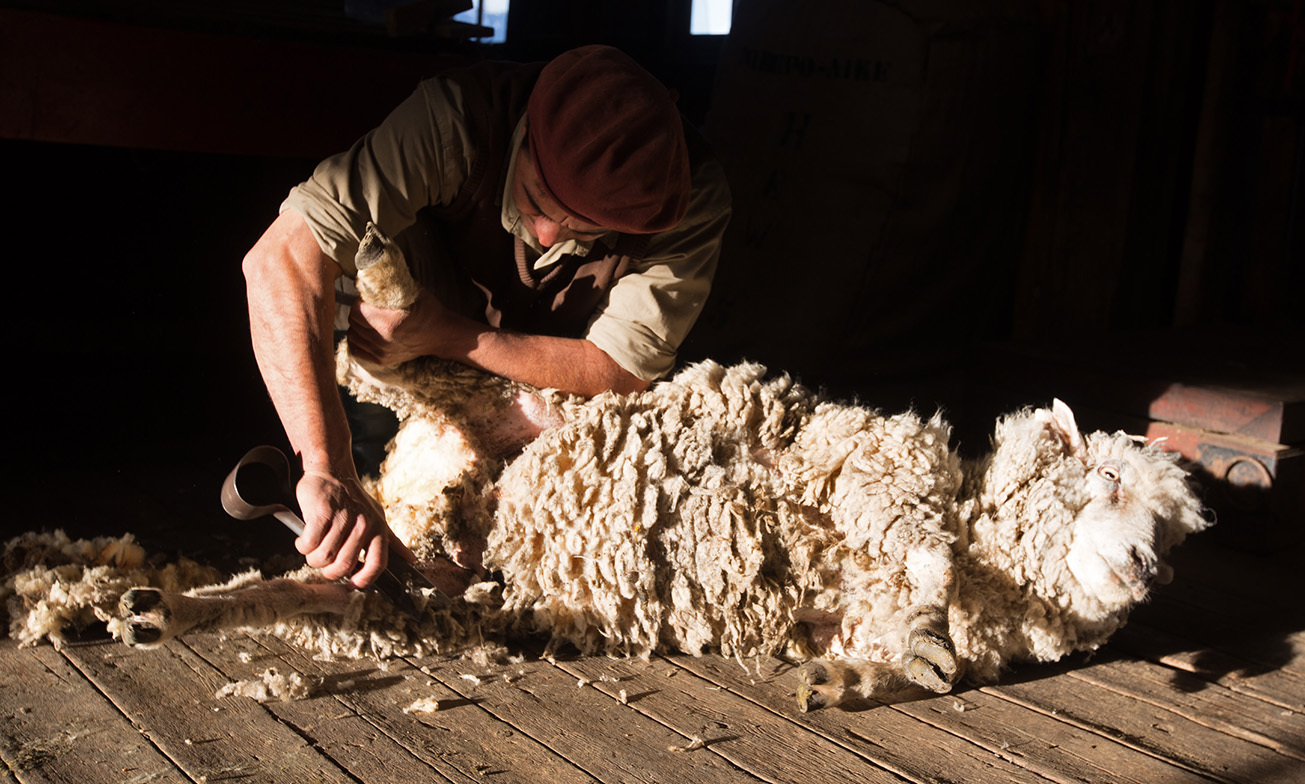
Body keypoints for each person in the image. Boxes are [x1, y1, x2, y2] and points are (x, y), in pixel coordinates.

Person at [241, 45, 731, 589]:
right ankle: (368, 473)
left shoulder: (685, 201)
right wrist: (327, 465)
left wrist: (450, 334)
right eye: (537, 198)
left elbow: (621, 370)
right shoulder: (458, 120)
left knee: (516, 515)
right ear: (523, 134)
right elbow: (279, 260)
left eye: (585, 229)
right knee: (378, 462)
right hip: (398, 335)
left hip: (543, 366)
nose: (547, 235)